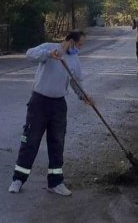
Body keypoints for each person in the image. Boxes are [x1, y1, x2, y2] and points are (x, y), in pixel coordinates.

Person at [8, 31, 92, 196]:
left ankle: (55, 182)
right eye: (79, 44)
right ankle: (18, 179)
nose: (80, 48)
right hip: (39, 102)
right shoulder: (49, 48)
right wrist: (47, 54)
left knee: (57, 143)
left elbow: (75, 82)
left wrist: (84, 96)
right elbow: (29, 55)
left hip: (59, 104)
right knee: (30, 140)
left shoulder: (75, 59)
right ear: (70, 41)